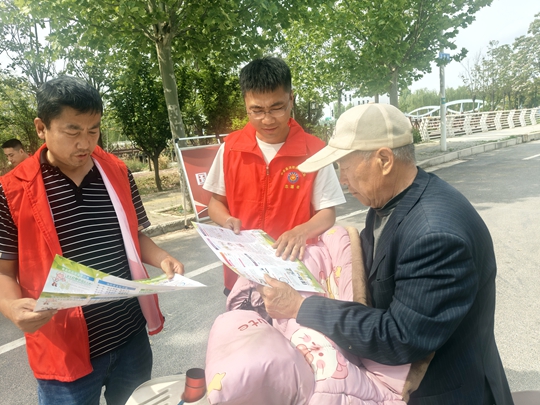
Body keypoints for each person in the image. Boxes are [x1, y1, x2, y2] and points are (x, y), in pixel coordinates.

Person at [257, 103, 513, 404]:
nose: (342, 180)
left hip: (445, 392)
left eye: (345, 166)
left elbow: (399, 337)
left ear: (384, 160)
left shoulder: (435, 236)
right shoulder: (390, 200)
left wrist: (301, 306)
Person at [0, 76, 184, 405]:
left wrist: (162, 258)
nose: (85, 143)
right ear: (41, 128)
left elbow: (134, 235)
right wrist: (11, 307)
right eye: (73, 131)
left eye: (93, 130)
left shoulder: (117, 172)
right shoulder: (12, 190)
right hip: (63, 349)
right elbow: (3, 271)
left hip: (129, 337)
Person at [203, 56, 345, 292]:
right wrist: (226, 220)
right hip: (242, 275)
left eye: (277, 108)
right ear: (245, 104)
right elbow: (215, 203)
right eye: (257, 110)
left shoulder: (314, 151)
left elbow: (327, 213)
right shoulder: (230, 149)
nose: (267, 120)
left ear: (291, 99)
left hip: (295, 275)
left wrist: (301, 232)